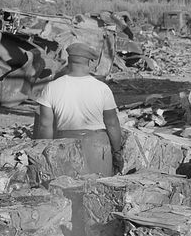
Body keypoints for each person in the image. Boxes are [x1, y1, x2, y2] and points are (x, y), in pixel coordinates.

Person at [34, 42, 124, 177]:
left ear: (68, 61)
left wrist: (44, 153)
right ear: (89, 63)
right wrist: (117, 151)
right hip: (98, 146)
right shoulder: (102, 88)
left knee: (68, 192)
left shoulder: (51, 87)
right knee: (98, 191)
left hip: (64, 145)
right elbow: (112, 123)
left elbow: (45, 126)